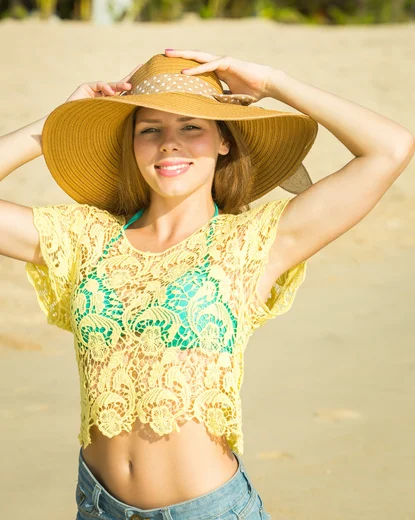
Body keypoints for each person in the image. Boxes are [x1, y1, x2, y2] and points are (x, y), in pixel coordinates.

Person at [0, 49, 413, 520]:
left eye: (191, 126)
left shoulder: (255, 241)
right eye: (149, 130)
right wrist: (57, 120)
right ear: (132, 147)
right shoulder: (84, 238)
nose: (168, 144)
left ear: (224, 142)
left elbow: (391, 148)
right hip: (97, 507)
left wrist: (273, 82)